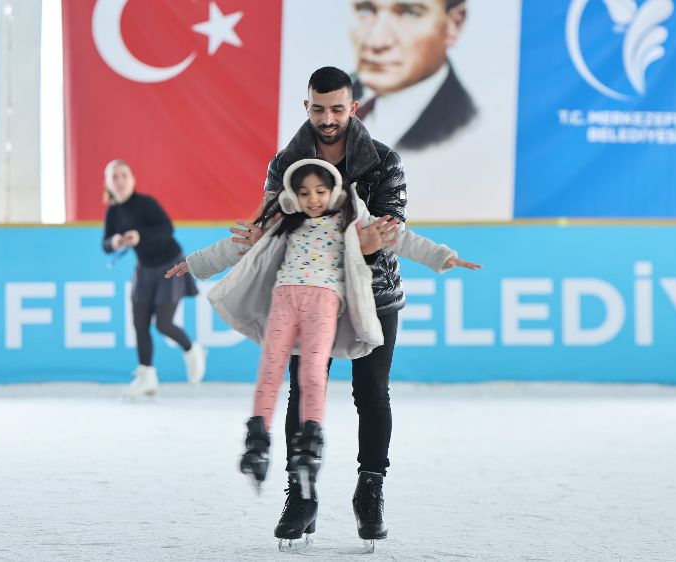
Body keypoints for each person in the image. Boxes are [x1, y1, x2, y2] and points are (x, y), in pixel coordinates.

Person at [166, 158, 480, 546]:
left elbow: (398, 236)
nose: (313, 199)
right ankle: (271, 454)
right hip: (285, 301)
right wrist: (195, 263)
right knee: (276, 372)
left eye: (320, 191)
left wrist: (441, 256)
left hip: (328, 305)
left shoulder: (352, 212)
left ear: (334, 189)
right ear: (293, 195)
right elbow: (239, 242)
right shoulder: (284, 218)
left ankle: (341, 464)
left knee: (340, 383)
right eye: (303, 192)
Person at [229, 66, 480, 545]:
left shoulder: (384, 161)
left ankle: (370, 490)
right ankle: (300, 495)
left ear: (353, 107)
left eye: (337, 109)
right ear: (306, 107)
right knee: (302, 394)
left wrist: (361, 246)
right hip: (307, 293)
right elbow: (275, 227)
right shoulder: (285, 162)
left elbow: (388, 236)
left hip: (373, 296)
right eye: (319, 108)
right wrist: (259, 238)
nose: (328, 118)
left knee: (371, 394)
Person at [101, 159, 206, 398]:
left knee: (163, 323)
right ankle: (147, 376)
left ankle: (193, 350)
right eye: (114, 177)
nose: (119, 181)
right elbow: (105, 243)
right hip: (145, 268)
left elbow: (167, 228)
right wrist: (114, 242)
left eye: (123, 175)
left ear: (132, 179)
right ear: (108, 183)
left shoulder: (145, 203)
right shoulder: (113, 212)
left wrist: (140, 235)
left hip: (169, 263)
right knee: (139, 323)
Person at [349, 0, 475, 150]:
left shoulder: (466, 125)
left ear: (455, 24)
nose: (377, 41)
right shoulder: (336, 92)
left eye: (410, 13)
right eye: (365, 10)